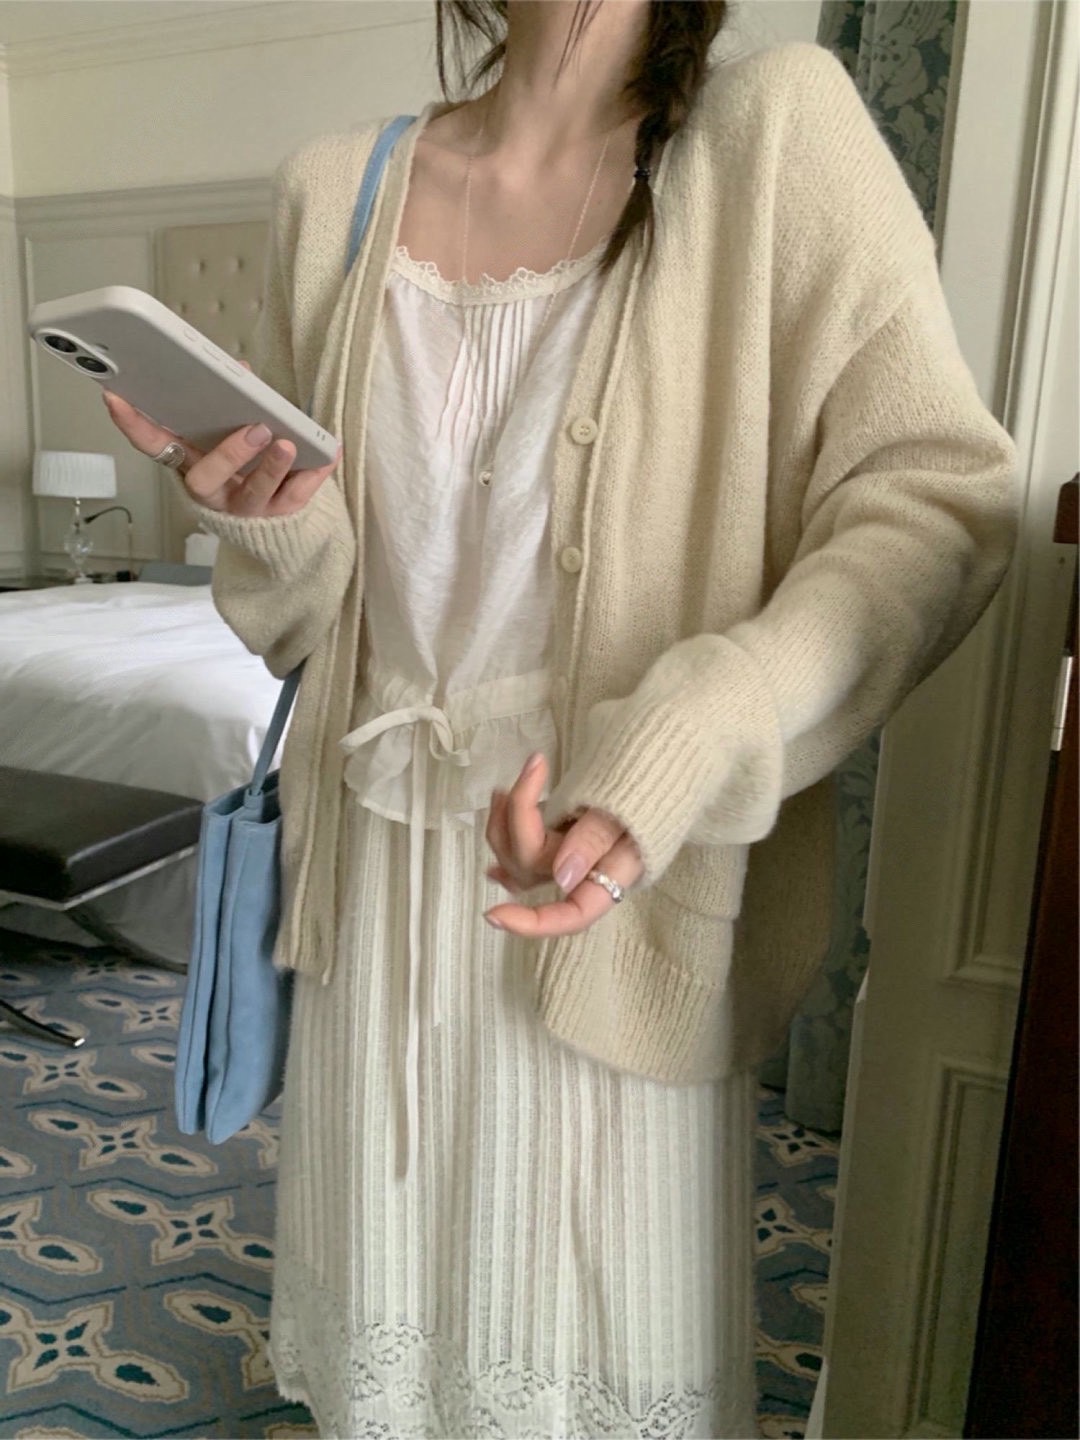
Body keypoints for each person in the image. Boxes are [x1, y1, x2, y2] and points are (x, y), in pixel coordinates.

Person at [104, 2, 1019, 1435]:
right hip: (379, 882)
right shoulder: (333, 189)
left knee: (591, 1351)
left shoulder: (775, 132)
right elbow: (306, 622)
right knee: (392, 1352)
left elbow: (940, 499)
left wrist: (699, 729)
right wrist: (265, 525)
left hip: (616, 877)